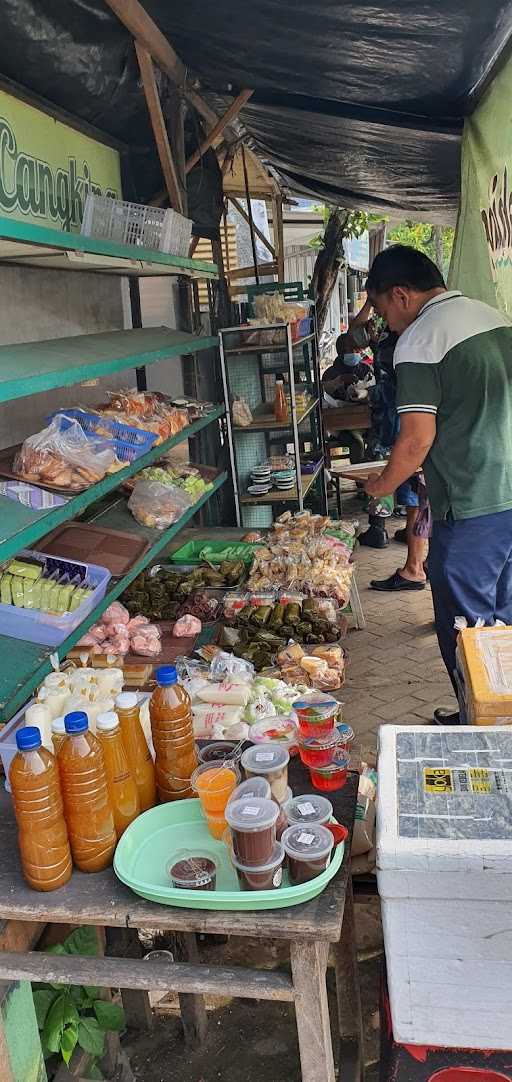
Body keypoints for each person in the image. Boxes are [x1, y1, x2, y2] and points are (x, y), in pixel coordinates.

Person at [363, 244, 512, 724]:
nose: (387, 323)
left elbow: (415, 441)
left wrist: (380, 486)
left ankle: (477, 726)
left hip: (473, 504)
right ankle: (498, 713)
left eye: (384, 310)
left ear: (401, 294)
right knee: (504, 621)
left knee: (466, 625)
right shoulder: (493, 317)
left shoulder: (422, 339)